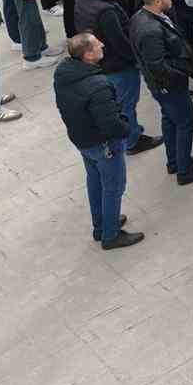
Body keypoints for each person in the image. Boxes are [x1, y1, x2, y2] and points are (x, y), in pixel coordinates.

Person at [54, 33, 141, 250]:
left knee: (95, 181)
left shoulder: (64, 73)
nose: (102, 43)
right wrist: (127, 129)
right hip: (103, 144)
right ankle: (111, 236)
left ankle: (101, 225)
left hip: (82, 140)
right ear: (88, 55)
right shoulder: (98, 85)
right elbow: (110, 123)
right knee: (113, 186)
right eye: (96, 44)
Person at [130, 0, 193, 185]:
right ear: (158, 0)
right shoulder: (150, 30)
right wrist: (185, 74)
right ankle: (185, 172)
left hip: (164, 86)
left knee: (170, 120)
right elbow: (158, 66)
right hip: (169, 86)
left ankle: (176, 161)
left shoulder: (143, 17)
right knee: (186, 122)